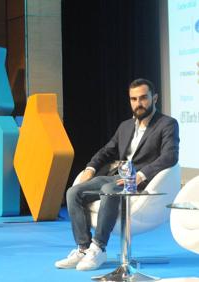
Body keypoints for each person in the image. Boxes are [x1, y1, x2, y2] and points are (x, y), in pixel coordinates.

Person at [55, 78, 179, 270]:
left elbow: (170, 156)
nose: (138, 103)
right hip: (118, 177)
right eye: (134, 99)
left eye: (143, 98)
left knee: (108, 189)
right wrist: (91, 168)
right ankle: (84, 248)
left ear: (155, 98)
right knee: (74, 192)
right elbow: (107, 151)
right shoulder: (125, 126)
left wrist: (142, 175)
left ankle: (99, 248)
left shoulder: (167, 124)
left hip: (143, 182)